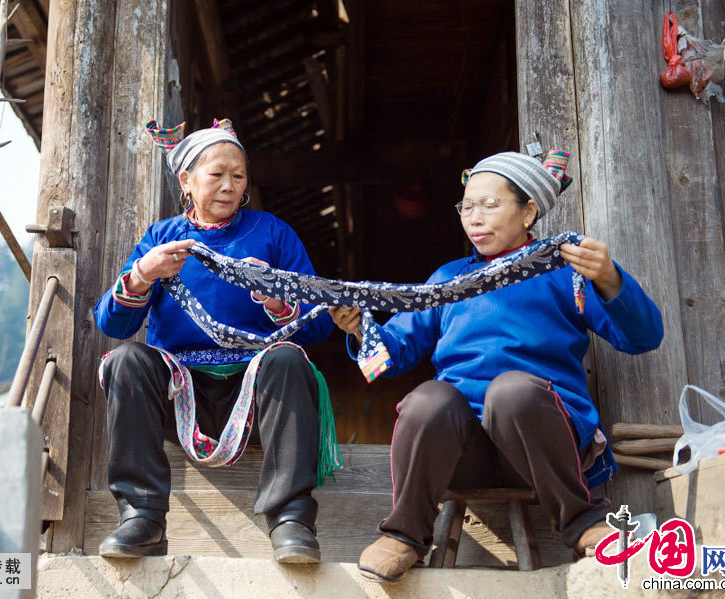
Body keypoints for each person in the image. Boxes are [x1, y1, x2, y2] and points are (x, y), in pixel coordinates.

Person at [329, 150, 664, 582]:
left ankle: (583, 522)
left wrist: (610, 278)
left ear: (528, 212)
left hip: (541, 446)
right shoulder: (450, 279)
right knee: (428, 398)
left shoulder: (565, 271)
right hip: (461, 454)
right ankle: (404, 534)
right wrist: (360, 330)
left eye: (490, 204)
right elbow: (392, 358)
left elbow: (643, 338)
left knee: (511, 391)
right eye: (467, 206)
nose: (474, 216)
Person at [94, 118, 334, 563]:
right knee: (126, 359)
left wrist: (279, 304)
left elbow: (320, 326)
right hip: (181, 392)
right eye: (216, 174)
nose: (229, 186)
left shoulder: (273, 233)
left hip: (260, 393)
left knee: (287, 358)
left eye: (238, 176)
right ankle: (141, 516)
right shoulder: (162, 239)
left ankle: (291, 520)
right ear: (186, 180)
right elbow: (113, 324)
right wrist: (144, 273)